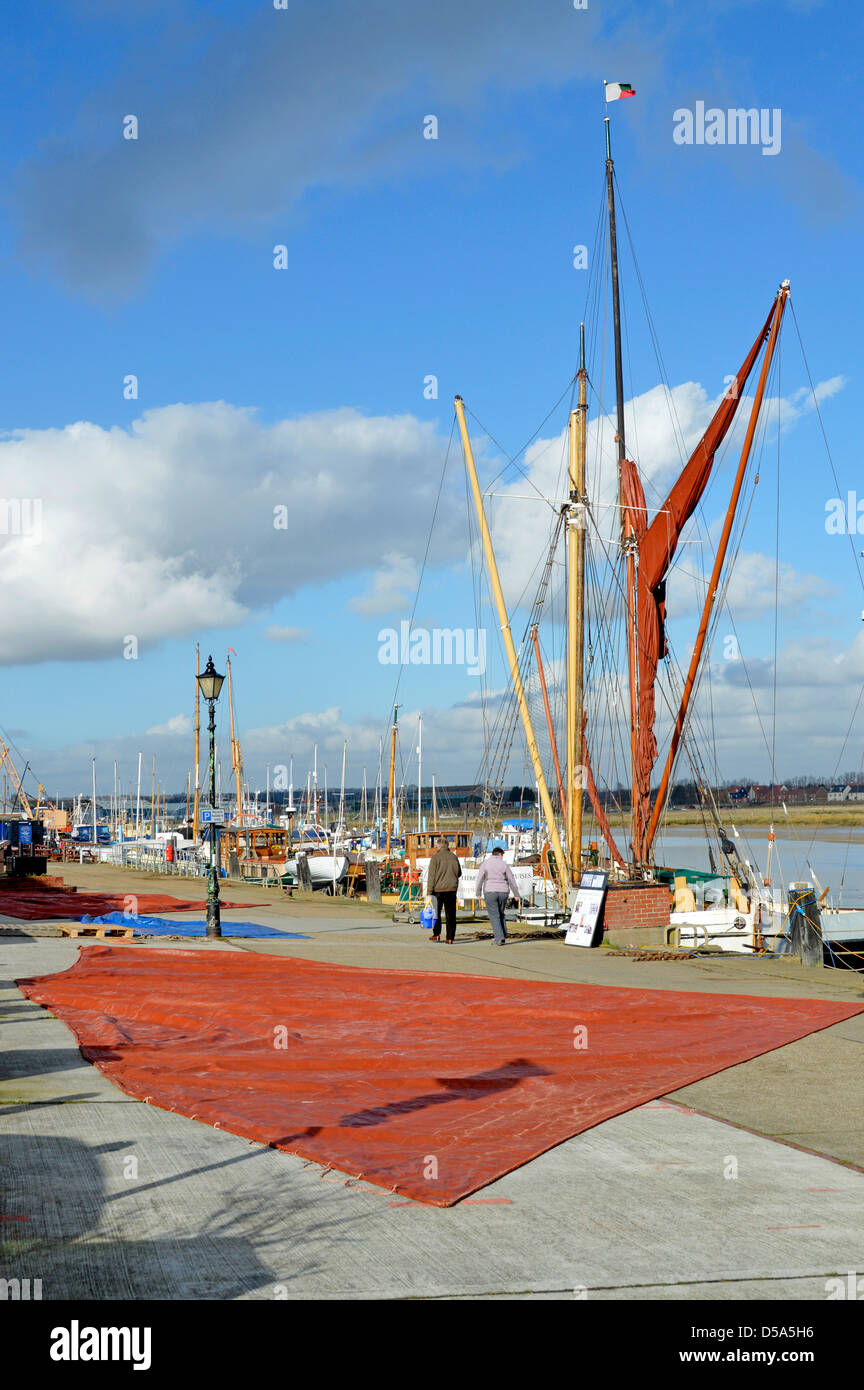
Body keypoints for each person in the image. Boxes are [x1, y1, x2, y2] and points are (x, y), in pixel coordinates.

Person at [476, 846, 521, 946]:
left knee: (494, 915)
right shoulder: (504, 864)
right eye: (502, 855)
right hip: (503, 892)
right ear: (500, 854)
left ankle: (499, 938)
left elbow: (480, 878)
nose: (502, 857)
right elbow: (511, 879)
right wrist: (516, 894)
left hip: (490, 891)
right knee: (501, 913)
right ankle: (503, 935)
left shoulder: (485, 864)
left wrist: (478, 892)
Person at [426, 837, 462, 943]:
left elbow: (431, 876)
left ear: (438, 846)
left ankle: (436, 934)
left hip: (438, 890)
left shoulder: (435, 858)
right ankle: (450, 937)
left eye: (436, 845)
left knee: (436, 913)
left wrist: (428, 892)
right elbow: (459, 873)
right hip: (451, 889)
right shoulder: (454, 857)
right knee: (451, 915)